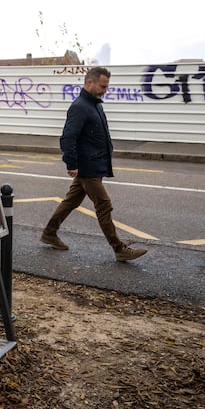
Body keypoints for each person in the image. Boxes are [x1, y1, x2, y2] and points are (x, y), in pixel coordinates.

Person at [40, 66, 148, 262]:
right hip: (87, 166)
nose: (105, 91)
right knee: (104, 205)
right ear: (89, 83)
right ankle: (119, 249)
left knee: (71, 202)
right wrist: (71, 164)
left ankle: (49, 233)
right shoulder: (80, 106)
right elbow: (68, 137)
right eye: (103, 86)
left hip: (95, 164)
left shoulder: (95, 105)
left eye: (106, 87)